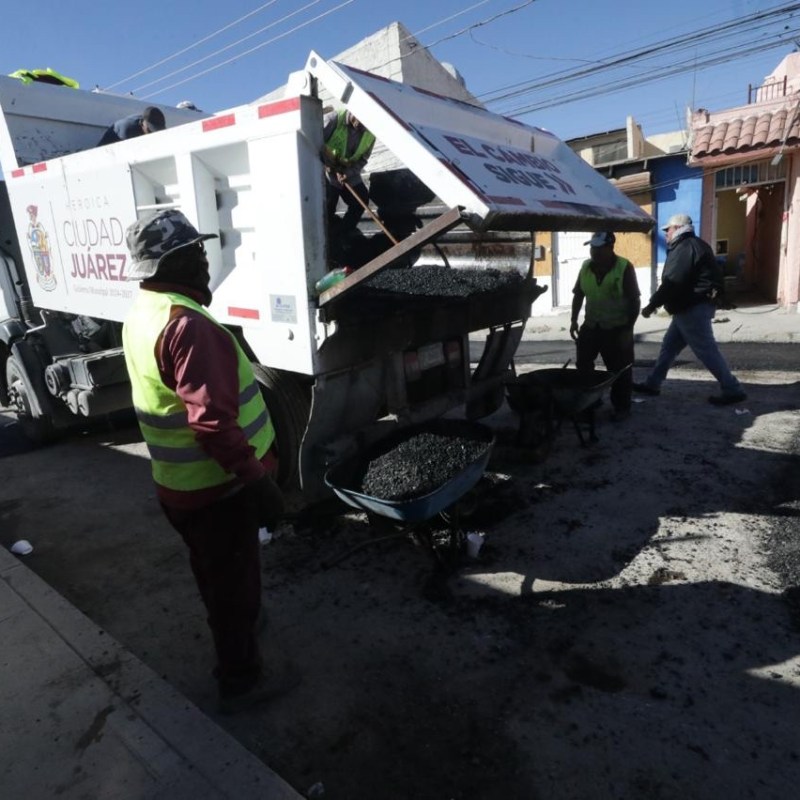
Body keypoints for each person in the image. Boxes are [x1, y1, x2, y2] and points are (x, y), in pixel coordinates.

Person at [121, 209, 294, 713]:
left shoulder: (147, 309)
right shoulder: (187, 326)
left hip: (181, 486)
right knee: (229, 583)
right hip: (217, 491)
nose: (205, 260)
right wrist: (259, 481)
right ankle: (240, 680)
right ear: (174, 261)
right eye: (196, 252)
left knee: (221, 572)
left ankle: (243, 623)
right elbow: (213, 423)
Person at [633, 213, 746, 405]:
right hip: (689, 307)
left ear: (677, 228)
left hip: (692, 307)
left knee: (706, 350)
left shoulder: (685, 247)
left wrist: (652, 305)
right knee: (669, 348)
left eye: (667, 230)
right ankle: (653, 383)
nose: (666, 234)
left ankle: (732, 389)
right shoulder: (696, 244)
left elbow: (672, 282)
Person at [570, 231, 640, 421]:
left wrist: (628, 330)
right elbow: (578, 294)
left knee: (620, 370)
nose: (594, 252)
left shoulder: (624, 267)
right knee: (583, 365)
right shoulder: (585, 266)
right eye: (592, 248)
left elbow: (634, 301)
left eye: (599, 248)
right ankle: (590, 402)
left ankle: (622, 408)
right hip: (592, 325)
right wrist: (574, 320)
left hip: (617, 328)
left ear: (610, 248)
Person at [322, 109, 375, 236]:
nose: (360, 124)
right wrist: (328, 166)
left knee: (361, 200)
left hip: (348, 171)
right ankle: (326, 238)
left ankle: (342, 235)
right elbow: (315, 144)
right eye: (359, 119)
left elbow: (363, 159)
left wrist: (348, 173)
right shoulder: (333, 119)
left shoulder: (371, 132)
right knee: (329, 202)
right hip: (328, 169)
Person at [97, 106, 166, 146]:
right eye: (150, 130)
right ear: (143, 124)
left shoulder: (144, 122)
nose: (151, 134)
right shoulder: (128, 128)